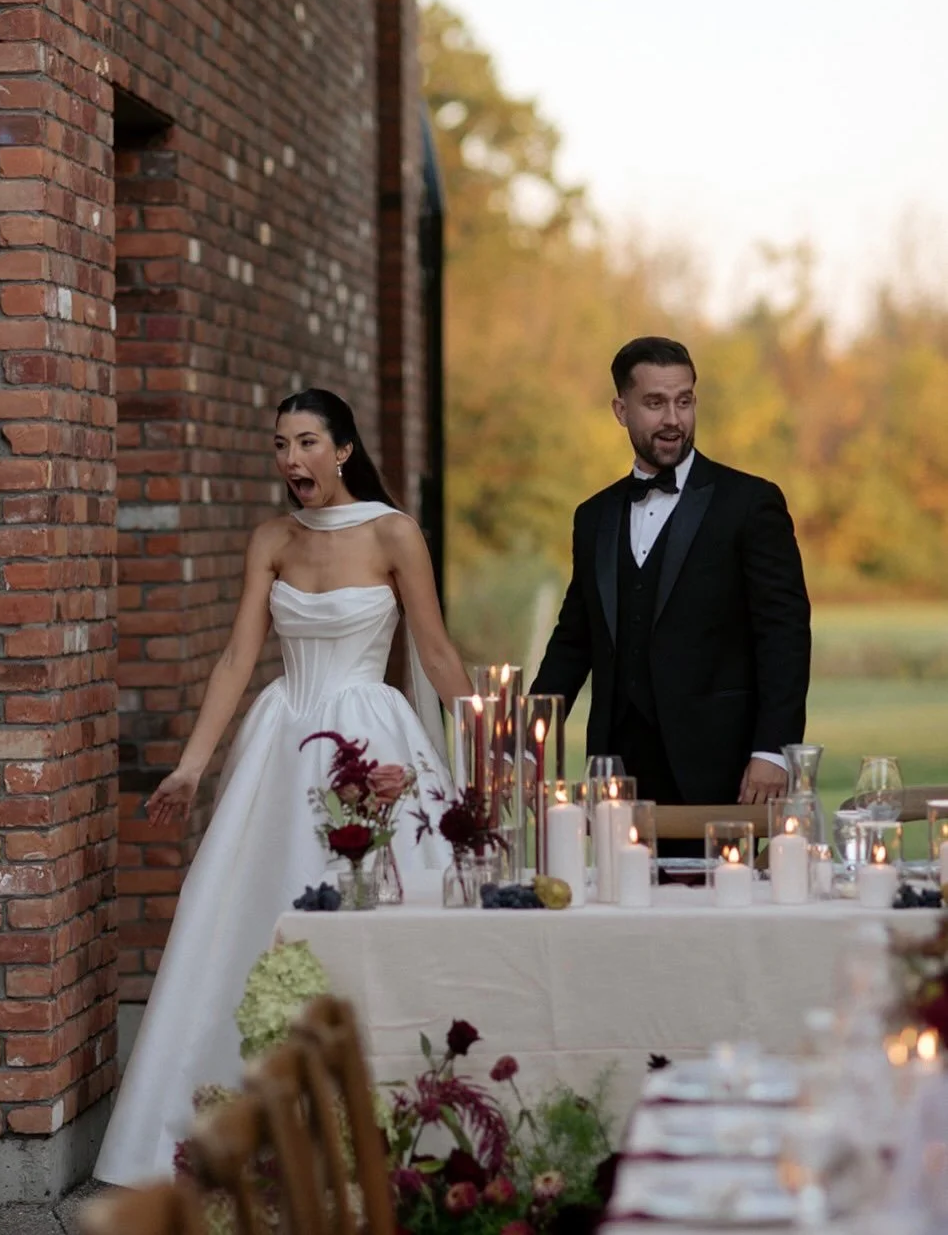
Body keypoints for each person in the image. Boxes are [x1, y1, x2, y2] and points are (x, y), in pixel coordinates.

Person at [95, 388, 469, 1185]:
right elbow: (237, 658)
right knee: (248, 913)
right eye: (279, 445)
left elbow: (434, 652)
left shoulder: (395, 532)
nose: (290, 459)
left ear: (342, 449)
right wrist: (193, 763)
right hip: (282, 739)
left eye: (305, 442)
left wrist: (489, 751)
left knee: (375, 912)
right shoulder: (271, 538)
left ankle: (385, 1114)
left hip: (372, 738)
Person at [530, 336, 811, 825]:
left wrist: (773, 751)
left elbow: (784, 634)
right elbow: (575, 638)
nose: (673, 419)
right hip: (617, 770)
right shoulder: (593, 516)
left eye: (684, 401)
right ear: (621, 409)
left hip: (720, 768)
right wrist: (523, 740)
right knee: (621, 896)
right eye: (655, 403)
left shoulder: (750, 503)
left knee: (721, 897)